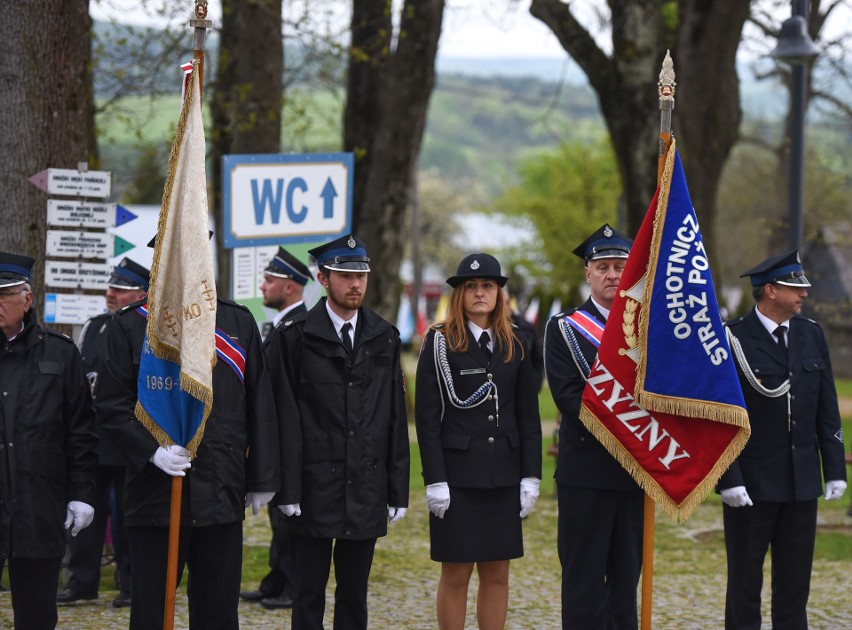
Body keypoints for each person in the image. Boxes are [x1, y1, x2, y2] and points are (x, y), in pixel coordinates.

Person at [97, 243, 281, 630]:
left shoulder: (236, 321)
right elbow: (112, 406)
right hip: (155, 492)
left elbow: (260, 402)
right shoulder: (131, 325)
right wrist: (150, 452)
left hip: (221, 486)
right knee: (150, 609)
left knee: (217, 610)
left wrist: (262, 478)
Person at [266, 233, 409, 630]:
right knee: (308, 593)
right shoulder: (293, 336)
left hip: (365, 483)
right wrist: (286, 488)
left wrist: (397, 489)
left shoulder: (384, 336)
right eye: (345, 275)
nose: (355, 284)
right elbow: (280, 418)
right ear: (323, 279)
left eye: (361, 275)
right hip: (314, 486)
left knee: (354, 593)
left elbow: (395, 418)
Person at [719, 250, 847, 630]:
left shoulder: (811, 334)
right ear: (770, 291)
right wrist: (729, 478)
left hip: (801, 482)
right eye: (795, 286)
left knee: (795, 586)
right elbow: (721, 418)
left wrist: (834, 468)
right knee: (744, 583)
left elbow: (826, 408)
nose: (804, 293)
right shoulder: (734, 338)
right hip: (752, 484)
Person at [415, 253, 542, 630]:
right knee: (455, 574)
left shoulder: (516, 341)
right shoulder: (440, 343)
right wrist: (435, 480)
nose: (480, 293)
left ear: (500, 293)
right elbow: (426, 419)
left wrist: (530, 476)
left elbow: (528, 417)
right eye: (471, 287)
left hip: (503, 474)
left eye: (488, 286)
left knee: (497, 573)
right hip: (457, 479)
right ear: (459, 294)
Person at [543, 224, 643, 629]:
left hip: (635, 471)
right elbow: (568, 397)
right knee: (584, 579)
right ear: (588, 274)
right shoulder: (564, 328)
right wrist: (625, 428)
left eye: (620, 266)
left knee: (625, 579)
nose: (612, 275)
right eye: (603, 267)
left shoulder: (645, 329)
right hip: (585, 472)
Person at [0, 251, 98, 629]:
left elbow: (81, 429)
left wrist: (83, 492)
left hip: (38, 502)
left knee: (37, 613)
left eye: (4, 295)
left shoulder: (59, 353)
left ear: (26, 299)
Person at [58, 257, 149, 609]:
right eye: (111, 288)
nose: (110, 294)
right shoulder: (94, 326)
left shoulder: (145, 327)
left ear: (141, 294)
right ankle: (82, 582)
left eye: (120, 290)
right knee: (85, 514)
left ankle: (130, 584)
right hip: (95, 437)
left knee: (128, 516)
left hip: (128, 436)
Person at [240, 246, 312, 610]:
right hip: (277, 435)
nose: (263, 285)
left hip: (291, 437)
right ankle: (277, 578)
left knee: (289, 513)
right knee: (276, 511)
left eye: (270, 280)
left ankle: (293, 585)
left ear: (290, 287)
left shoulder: (298, 328)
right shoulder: (283, 324)